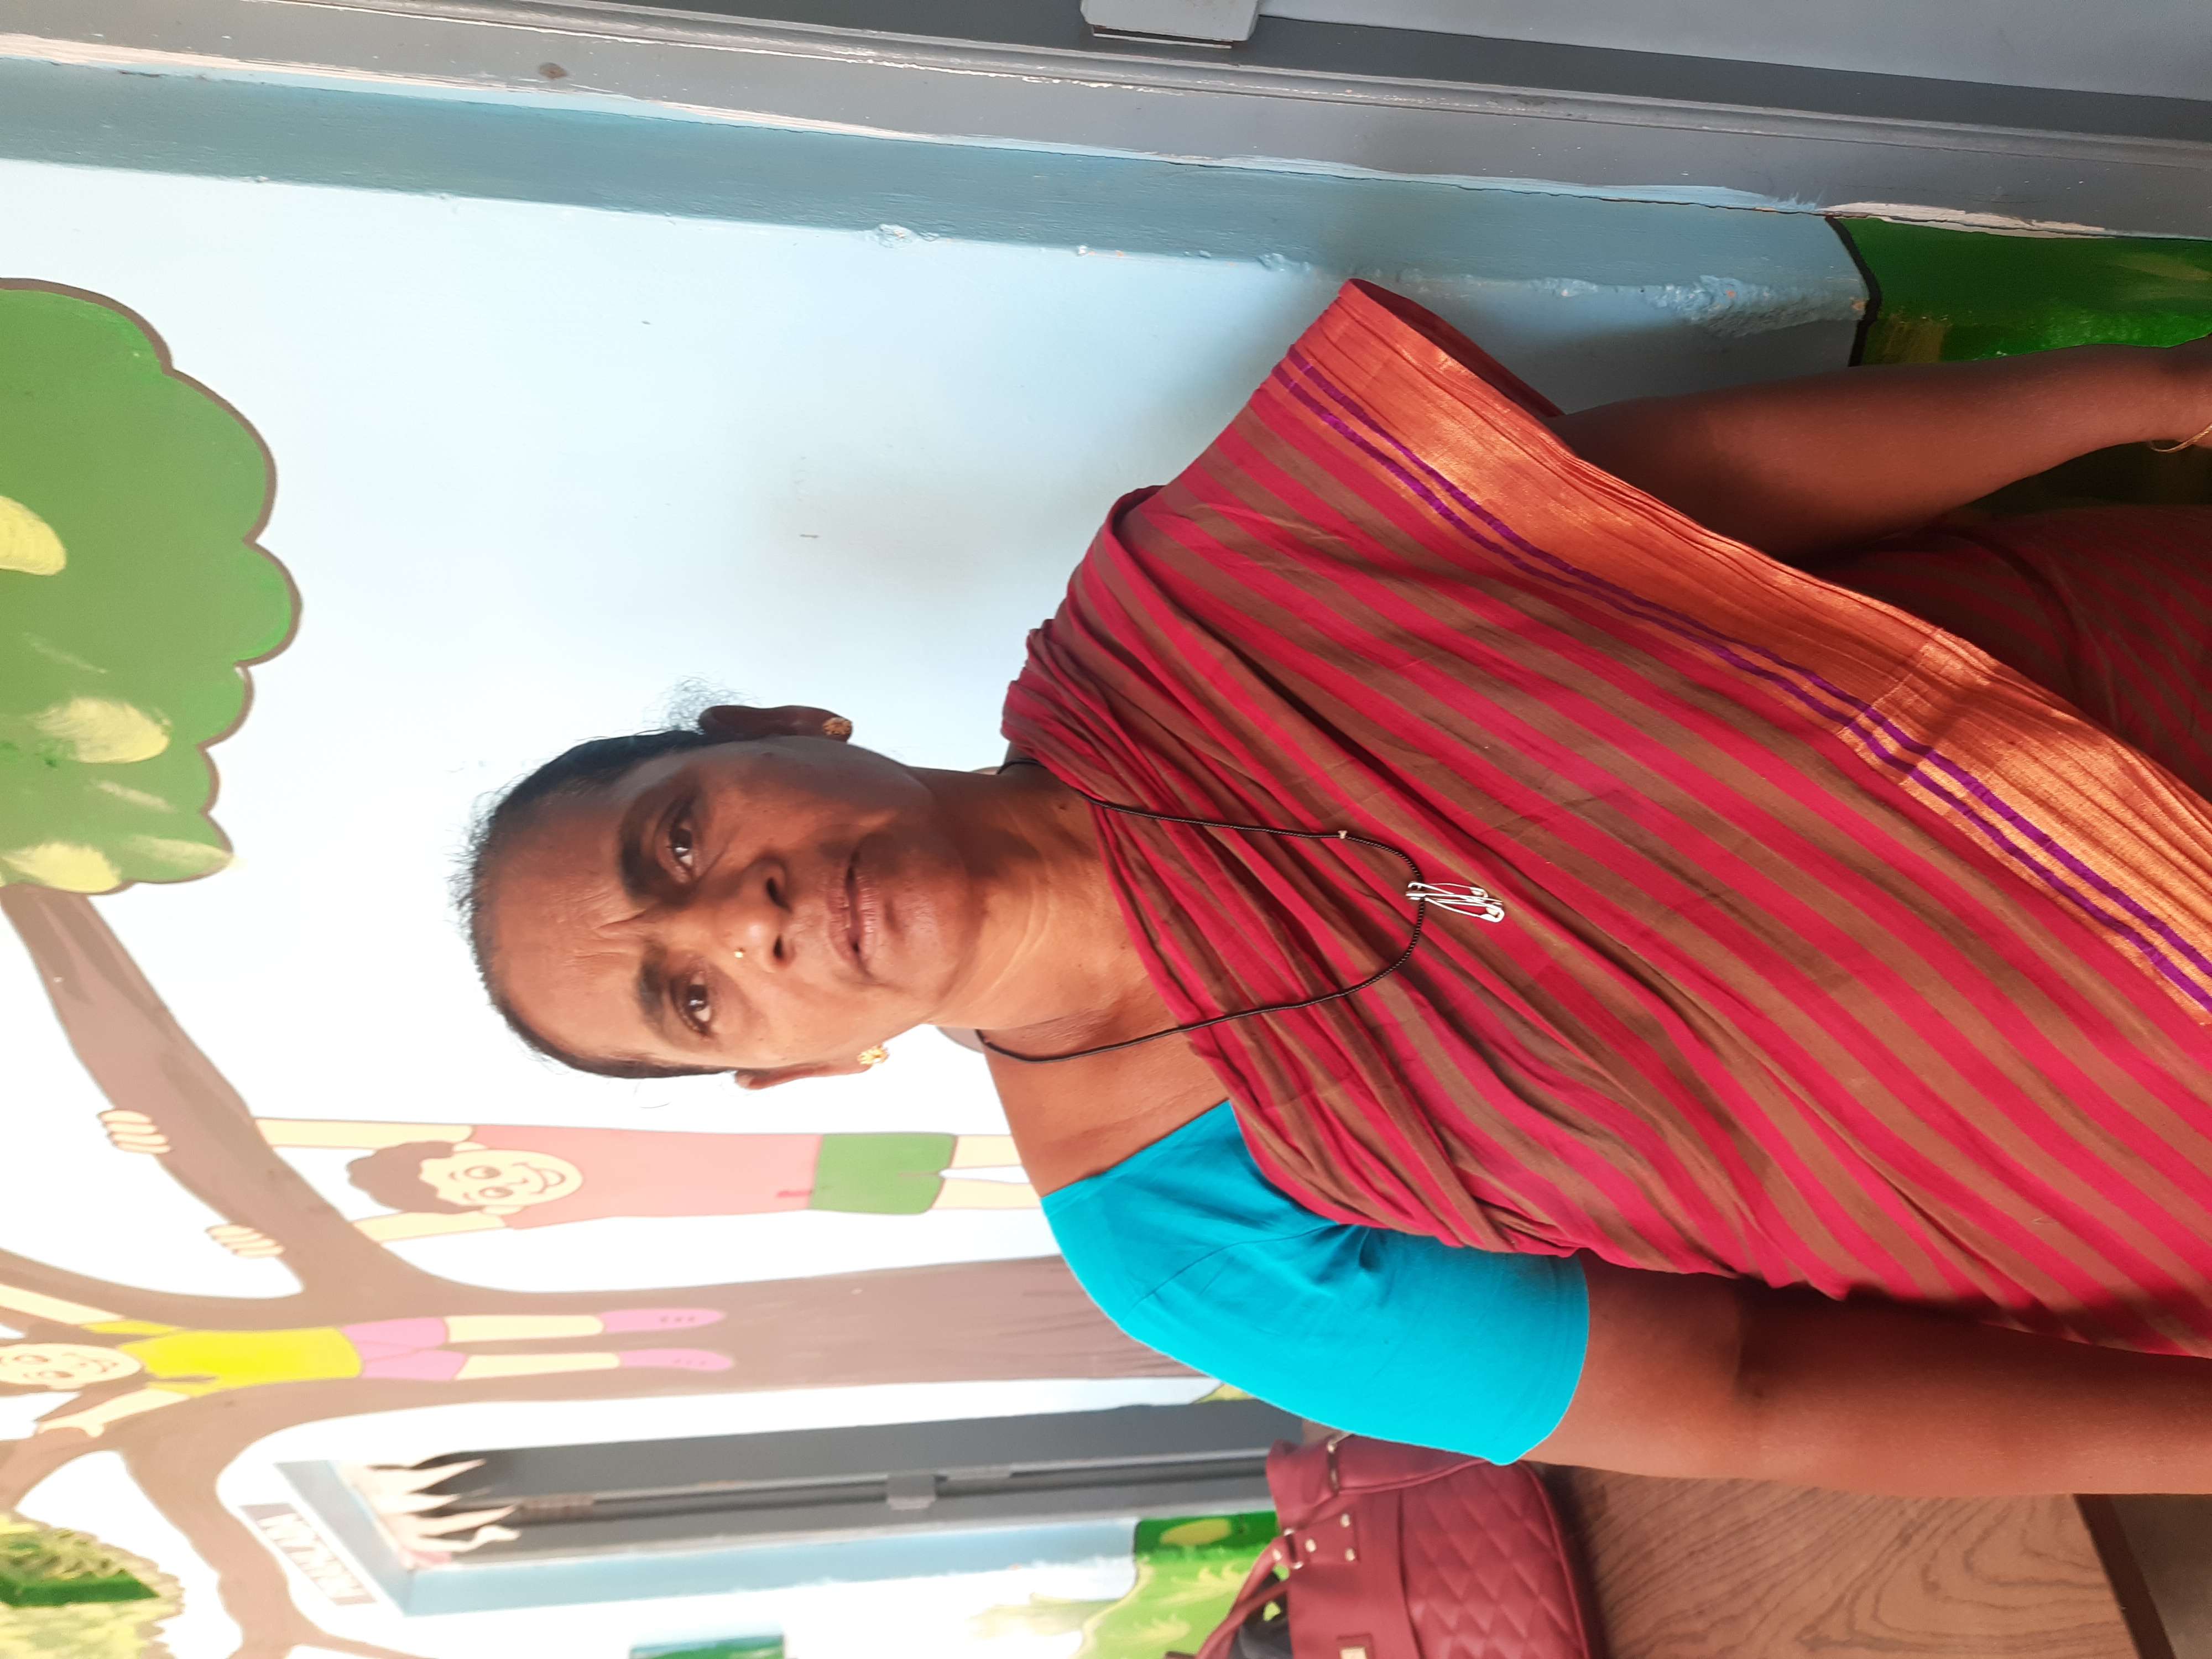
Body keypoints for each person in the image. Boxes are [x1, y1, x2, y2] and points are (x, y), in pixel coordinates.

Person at [461, 280, 2212, 1497]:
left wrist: (2160, 392)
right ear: (789, 1069)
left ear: (778, 729)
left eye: (675, 840)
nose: (744, 917)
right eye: (695, 996)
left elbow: (1713, 493)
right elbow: (1748, 1394)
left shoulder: (1204, 597)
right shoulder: (1185, 1247)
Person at [95, 1110, 1034, 1252]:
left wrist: (194, 1133)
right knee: (959, 1191)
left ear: (461, 1150)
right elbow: (397, 1232)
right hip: (809, 1192)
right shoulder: (544, 1212)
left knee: (982, 1149)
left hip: (818, 1142)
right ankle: (1065, 1188)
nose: (497, 1179)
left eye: (476, 1171)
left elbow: (333, 1134)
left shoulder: (521, 1137)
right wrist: (295, 1236)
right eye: (484, 1192)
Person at [0, 1282, 729, 1438]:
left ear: (49, 1343)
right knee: (517, 1369)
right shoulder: (160, 1379)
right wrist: (71, 1423)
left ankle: (632, 1322)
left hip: (365, 1331)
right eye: (50, 1382)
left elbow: (29, 1301)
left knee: (524, 1327)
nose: (65, 1372)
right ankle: (652, 1355)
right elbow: (122, 1409)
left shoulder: (122, 1330)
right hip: (365, 1371)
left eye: (47, 1361)